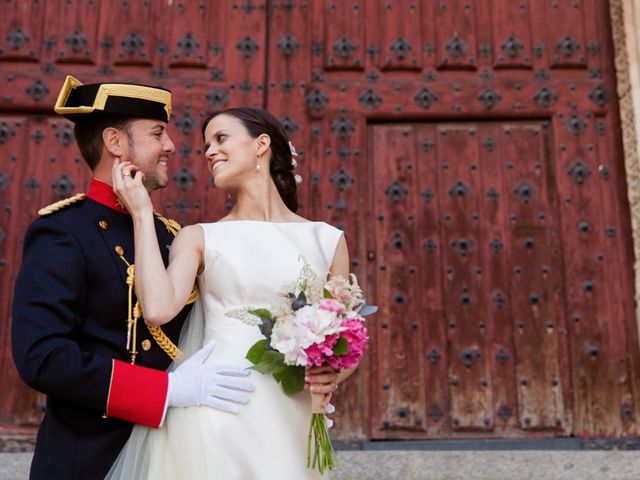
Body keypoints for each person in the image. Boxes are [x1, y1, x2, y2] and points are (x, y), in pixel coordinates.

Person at [11, 76, 255, 479]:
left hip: (177, 453)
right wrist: (165, 391)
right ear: (115, 142)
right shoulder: (63, 232)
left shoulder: (171, 236)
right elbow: (44, 358)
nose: (171, 146)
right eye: (157, 133)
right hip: (91, 458)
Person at [106, 107, 354, 479]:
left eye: (220, 139)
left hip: (294, 413)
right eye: (206, 145)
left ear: (261, 145)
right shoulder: (200, 237)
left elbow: (348, 339)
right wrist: (141, 213)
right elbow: (157, 309)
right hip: (220, 408)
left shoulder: (327, 239)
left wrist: (333, 374)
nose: (208, 152)